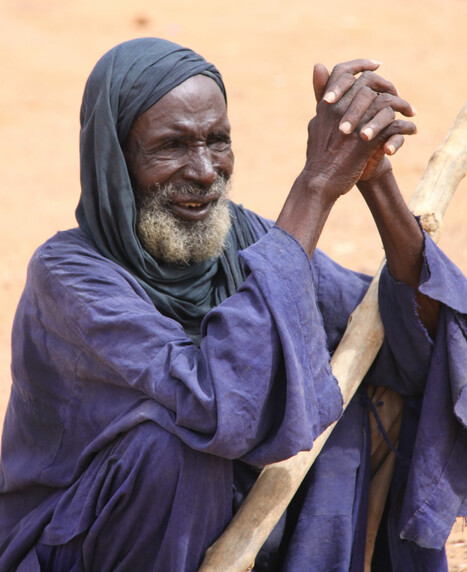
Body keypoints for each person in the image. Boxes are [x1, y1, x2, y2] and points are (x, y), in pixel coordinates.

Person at [0, 38, 465, 572]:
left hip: (226, 535)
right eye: (171, 145)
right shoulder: (68, 277)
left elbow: (409, 341)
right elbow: (219, 406)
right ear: (114, 158)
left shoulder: (239, 237)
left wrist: (375, 177)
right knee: (174, 451)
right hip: (81, 546)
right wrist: (314, 188)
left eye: (216, 141)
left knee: (365, 388)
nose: (203, 171)